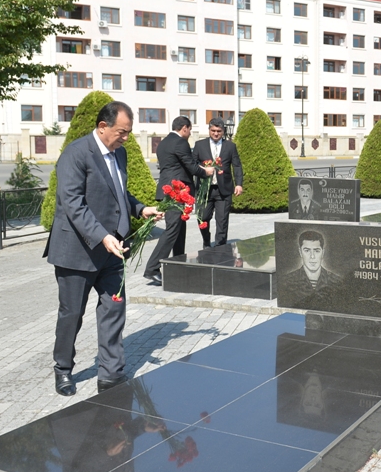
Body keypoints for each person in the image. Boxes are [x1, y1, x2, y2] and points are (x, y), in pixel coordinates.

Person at [45, 101, 162, 396]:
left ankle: (109, 374)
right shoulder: (76, 154)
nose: (126, 138)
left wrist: (140, 209)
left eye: (129, 133)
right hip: (77, 251)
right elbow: (73, 203)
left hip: (113, 251)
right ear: (103, 127)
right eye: (122, 132)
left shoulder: (118, 154)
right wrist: (101, 236)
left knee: (114, 308)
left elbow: (118, 191)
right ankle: (63, 369)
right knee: (72, 314)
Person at [143, 117, 214, 284]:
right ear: (184, 128)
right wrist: (206, 172)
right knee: (173, 229)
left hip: (170, 190)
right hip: (175, 192)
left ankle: (178, 264)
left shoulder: (164, 142)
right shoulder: (180, 142)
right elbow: (191, 166)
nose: (189, 133)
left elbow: (178, 165)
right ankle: (152, 268)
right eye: (189, 130)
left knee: (180, 229)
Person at [192, 118, 243, 246]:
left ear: (223, 131)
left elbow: (237, 166)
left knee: (222, 220)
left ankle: (220, 247)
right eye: (213, 130)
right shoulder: (199, 145)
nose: (216, 133)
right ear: (209, 130)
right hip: (204, 190)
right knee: (202, 218)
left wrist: (239, 184)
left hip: (223, 190)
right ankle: (207, 241)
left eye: (219, 131)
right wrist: (203, 169)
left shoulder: (230, 146)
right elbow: (192, 164)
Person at [280, 229, 342, 306]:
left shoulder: (337, 281)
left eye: (316, 251)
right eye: (307, 251)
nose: (312, 256)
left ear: (323, 253)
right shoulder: (287, 282)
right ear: (300, 252)